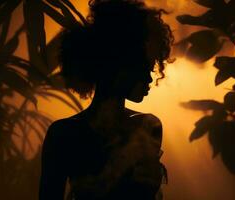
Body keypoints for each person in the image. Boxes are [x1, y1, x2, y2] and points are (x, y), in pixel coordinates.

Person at [39, 0, 173, 199]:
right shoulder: (63, 134)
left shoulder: (148, 127)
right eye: (143, 68)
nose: (149, 78)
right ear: (118, 66)